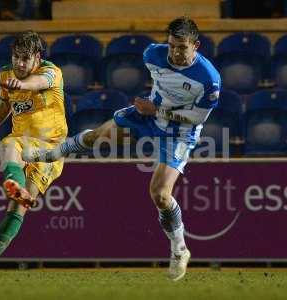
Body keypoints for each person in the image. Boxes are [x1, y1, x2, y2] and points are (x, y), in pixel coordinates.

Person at [22, 17, 221, 281]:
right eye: (172, 45)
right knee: (100, 135)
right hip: (148, 116)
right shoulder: (153, 54)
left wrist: (159, 110)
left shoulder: (209, 79)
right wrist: (153, 110)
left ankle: (179, 249)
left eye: (182, 48)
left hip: (179, 132)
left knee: (160, 194)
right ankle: (52, 154)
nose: (175, 52)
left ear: (195, 46)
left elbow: (197, 119)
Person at [0, 30, 67, 279]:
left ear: (37, 57)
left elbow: (38, 83)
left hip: (50, 148)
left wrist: (23, 84)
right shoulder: (6, 74)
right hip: (22, 142)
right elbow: (5, 104)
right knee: (11, 150)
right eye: (16, 57)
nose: (19, 64)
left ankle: (16, 185)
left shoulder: (51, 72)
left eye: (25, 59)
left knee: (19, 202)